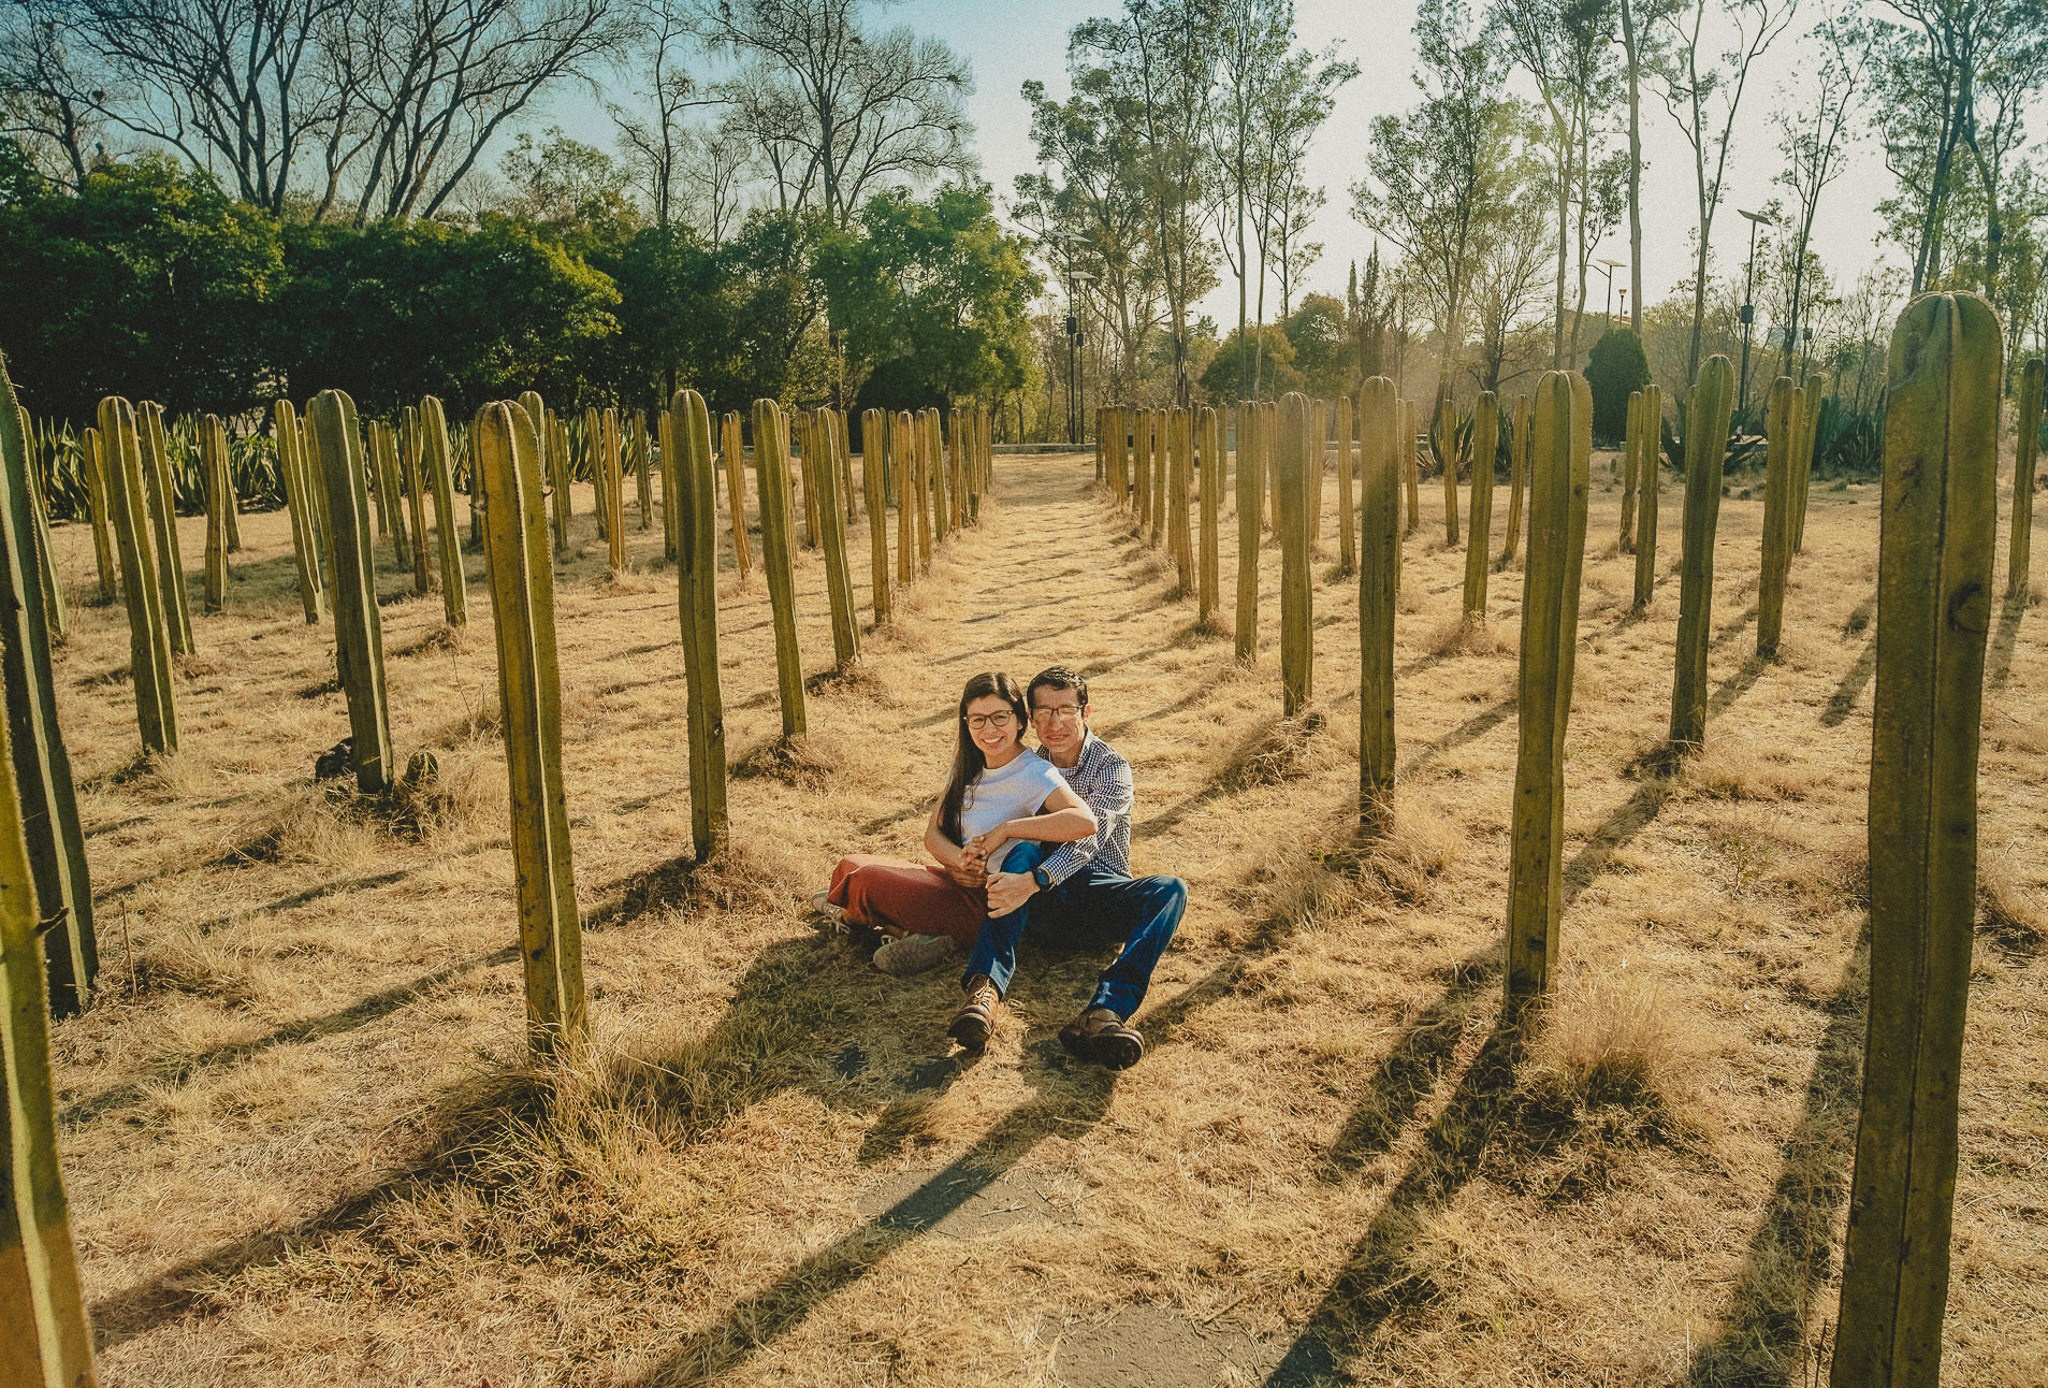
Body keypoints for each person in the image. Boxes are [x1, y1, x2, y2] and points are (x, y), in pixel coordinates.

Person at [949, 666, 1187, 1070]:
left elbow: (1087, 837)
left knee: (1171, 889)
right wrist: (966, 859)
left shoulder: (1112, 767)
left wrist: (1036, 878)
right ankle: (984, 992)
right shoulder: (1027, 764)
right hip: (1038, 903)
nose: (1054, 723)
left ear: (1085, 712)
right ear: (1030, 718)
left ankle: (1104, 1013)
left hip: (1095, 892)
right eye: (1042, 712)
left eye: (1065, 710)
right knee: (1023, 850)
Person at [819, 672, 1098, 976]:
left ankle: (866, 918)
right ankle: (910, 931)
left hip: (988, 900)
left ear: (1020, 720)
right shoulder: (968, 764)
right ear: (966, 723)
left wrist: (1006, 829)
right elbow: (932, 834)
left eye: (999, 717)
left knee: (865, 880)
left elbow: (1083, 821)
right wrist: (959, 862)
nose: (988, 729)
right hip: (956, 881)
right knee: (850, 864)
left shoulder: (1035, 773)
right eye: (977, 719)